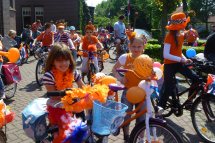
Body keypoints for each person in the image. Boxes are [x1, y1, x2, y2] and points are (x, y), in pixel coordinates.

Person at [42, 43, 85, 143]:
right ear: (53, 61)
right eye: (59, 61)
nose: (64, 63)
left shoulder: (73, 72)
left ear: (70, 60)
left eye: (66, 60)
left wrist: (91, 92)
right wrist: (70, 94)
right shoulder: (49, 75)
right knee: (61, 136)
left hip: (73, 103)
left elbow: (82, 85)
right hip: (57, 107)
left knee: (81, 127)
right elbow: (54, 95)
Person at [158, 12, 199, 110]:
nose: (184, 26)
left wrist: (185, 59)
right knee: (168, 87)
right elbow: (166, 55)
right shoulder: (169, 36)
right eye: (183, 24)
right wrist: (181, 59)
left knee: (196, 79)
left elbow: (178, 52)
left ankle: (189, 102)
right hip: (169, 65)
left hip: (179, 63)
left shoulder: (180, 35)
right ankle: (159, 109)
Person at [112, 33, 146, 142]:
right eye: (134, 46)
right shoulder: (125, 57)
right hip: (128, 92)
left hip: (143, 92)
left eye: (139, 46)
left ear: (143, 47)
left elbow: (151, 73)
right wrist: (120, 79)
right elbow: (114, 69)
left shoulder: (146, 59)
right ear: (129, 47)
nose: (136, 49)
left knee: (142, 118)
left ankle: (140, 138)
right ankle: (126, 137)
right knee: (126, 116)